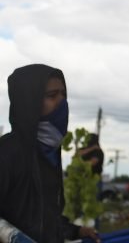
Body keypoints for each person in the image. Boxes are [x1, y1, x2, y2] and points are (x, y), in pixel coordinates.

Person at [0, 64, 100, 242]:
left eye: (63, 94)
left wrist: (76, 231)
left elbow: (46, 220)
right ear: (29, 101)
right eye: (52, 96)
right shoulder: (7, 153)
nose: (62, 102)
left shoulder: (49, 154)